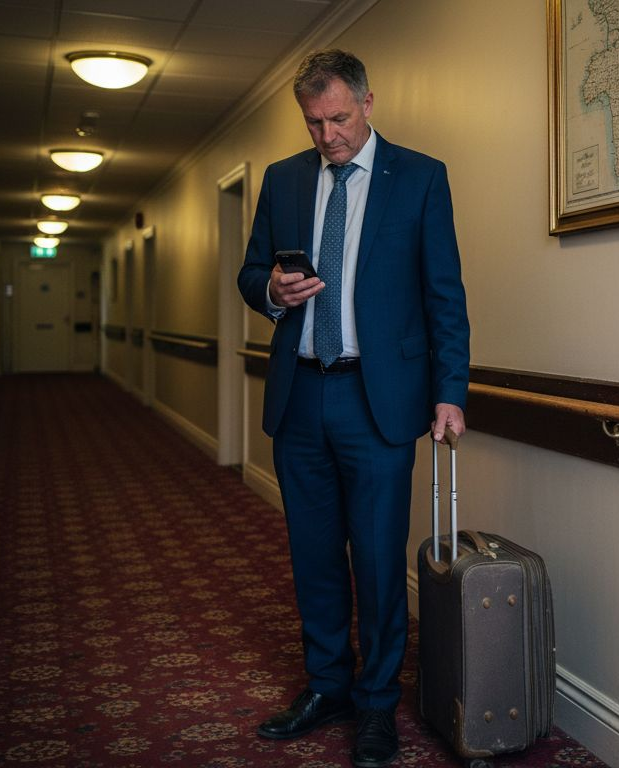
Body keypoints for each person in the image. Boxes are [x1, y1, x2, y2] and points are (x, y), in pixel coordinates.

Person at [237, 49, 470, 768]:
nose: (328, 134)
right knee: (314, 559)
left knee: (375, 562)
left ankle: (376, 706)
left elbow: (444, 295)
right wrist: (273, 291)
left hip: (380, 399)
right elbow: (249, 273)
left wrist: (449, 391)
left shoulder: (422, 178)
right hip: (301, 393)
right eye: (314, 122)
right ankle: (327, 686)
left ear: (369, 101)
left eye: (338, 117)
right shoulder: (282, 179)